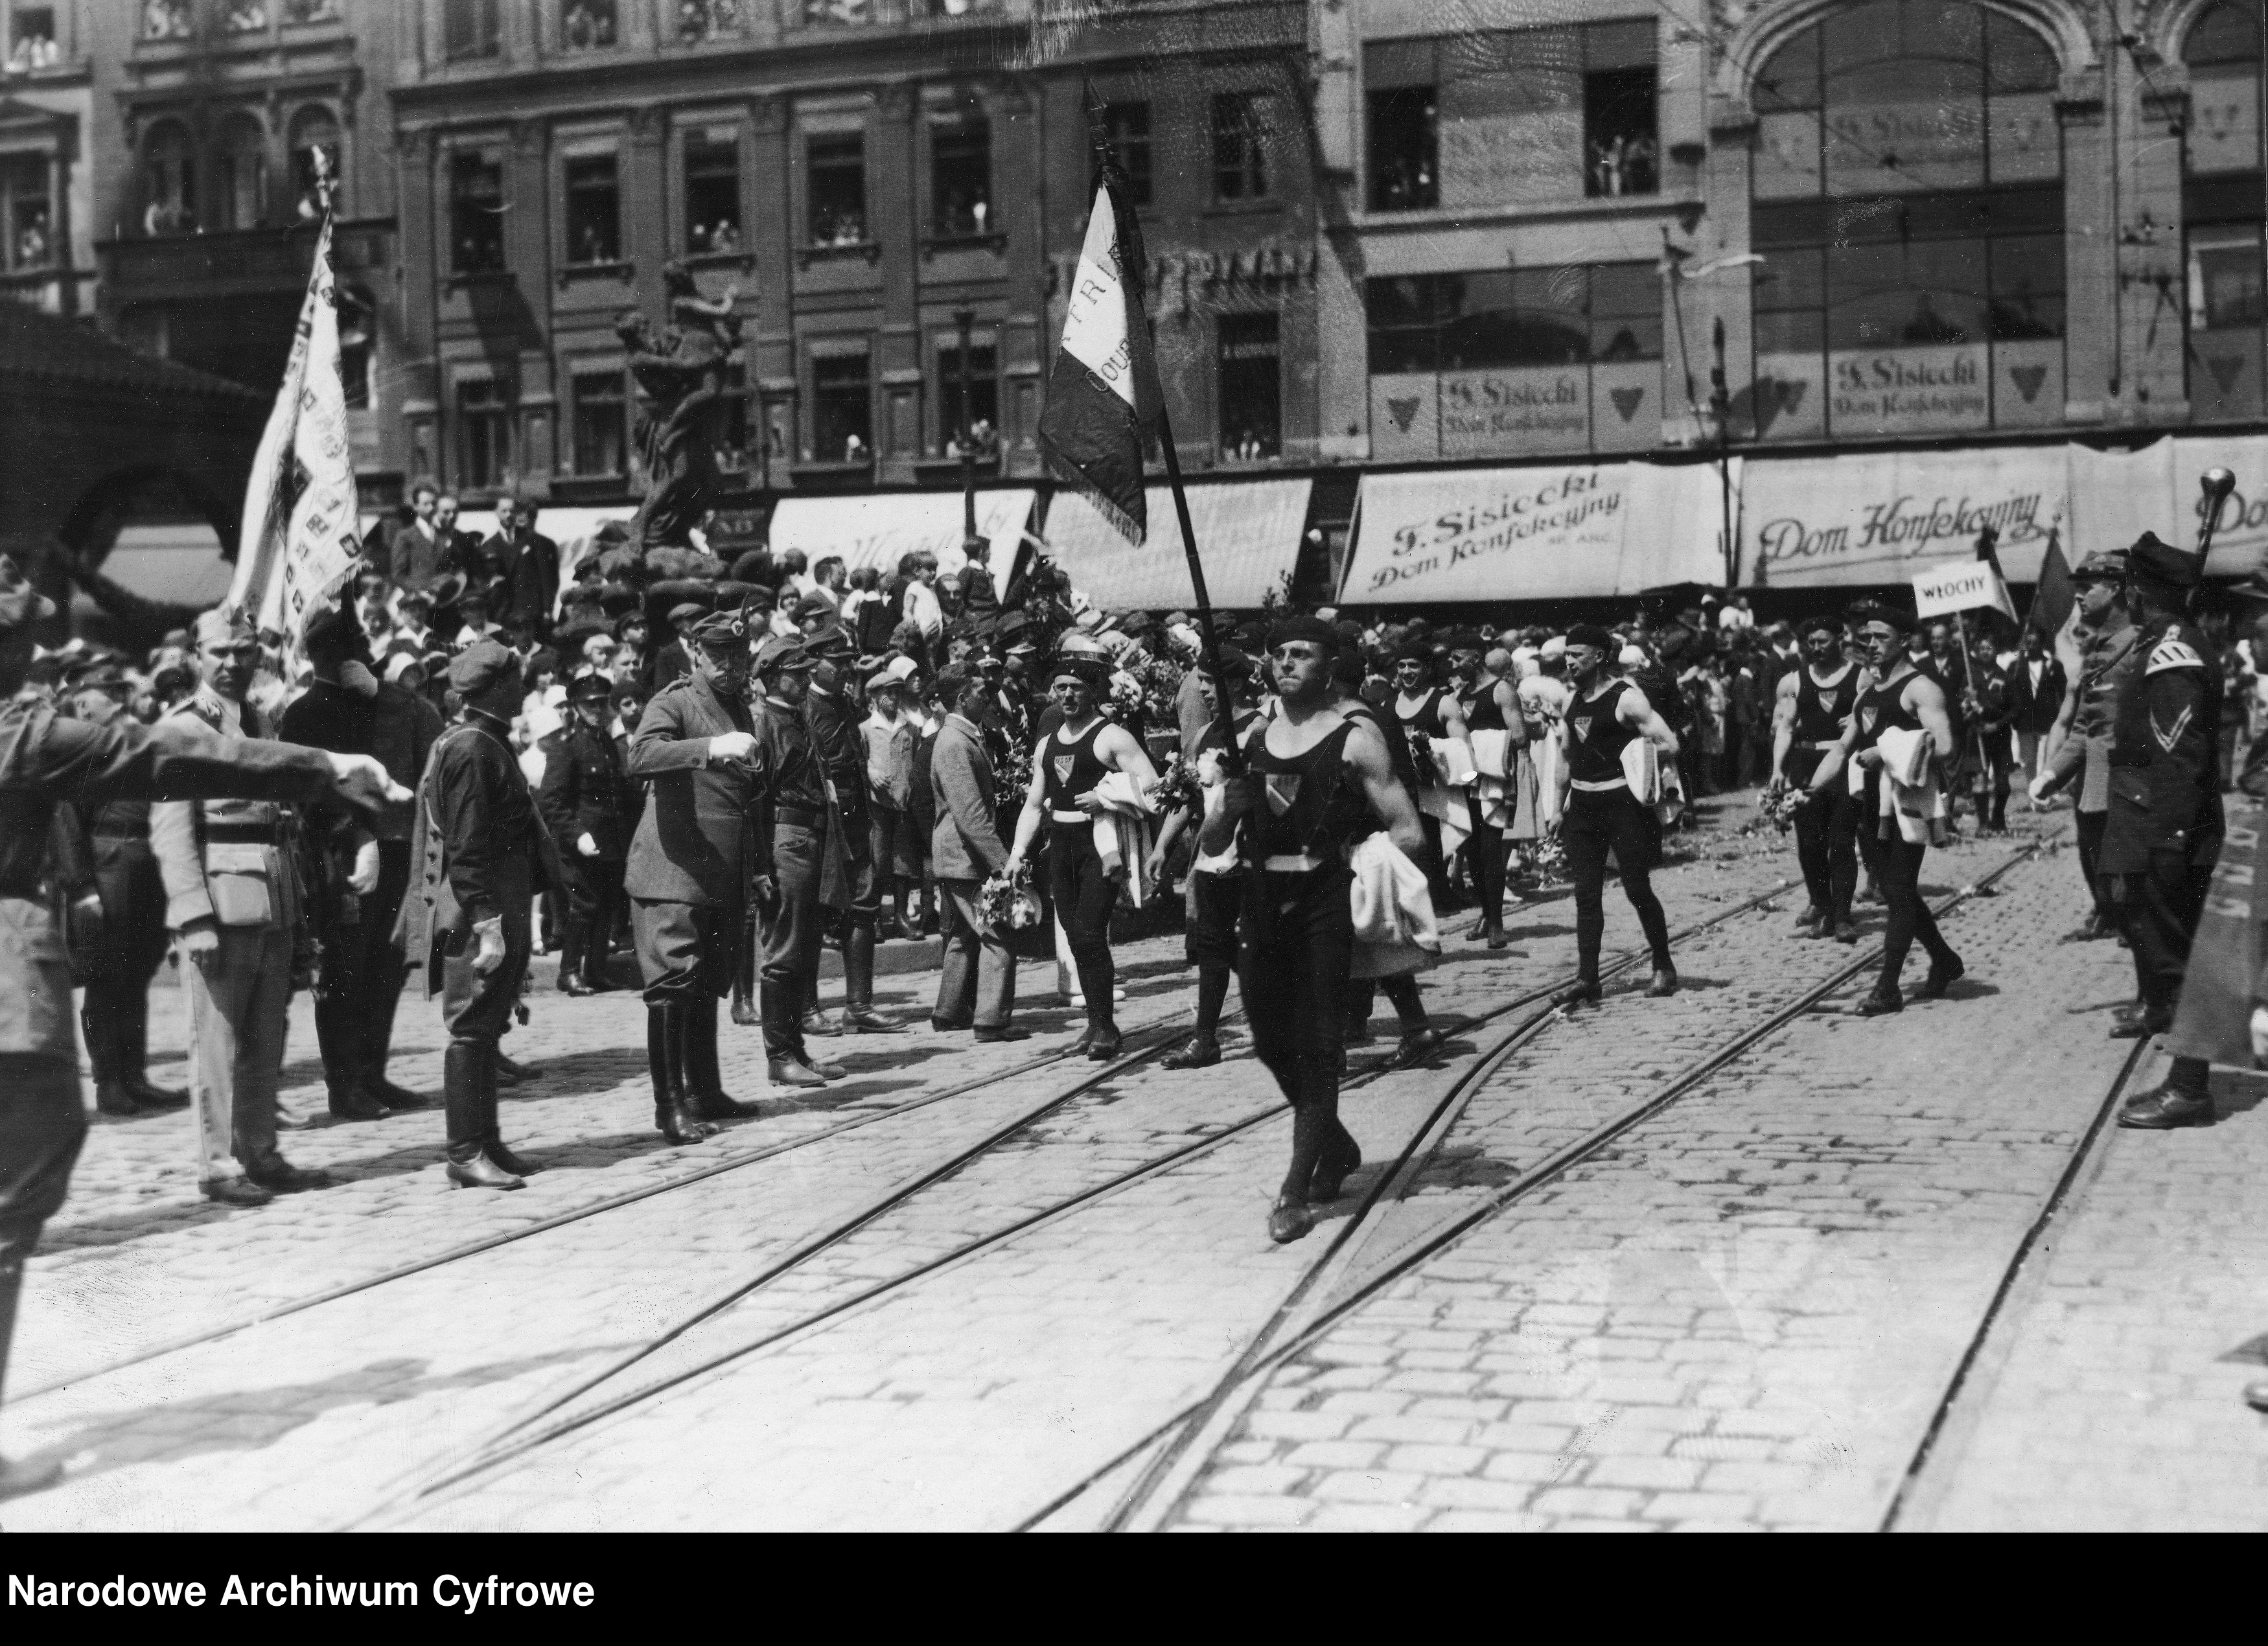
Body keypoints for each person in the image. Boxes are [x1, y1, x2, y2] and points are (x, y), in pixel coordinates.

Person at [0, 557, 401, 1502]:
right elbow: (168, 758)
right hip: (9, 994)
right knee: (23, 1181)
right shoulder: (18, 732)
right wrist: (327, 765)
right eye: (20, 648)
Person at [1201, 617, 1428, 1244]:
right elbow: (1212, 839)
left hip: (1324, 896)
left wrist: (1361, 861)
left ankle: (1295, 1189)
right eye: (1278, 654)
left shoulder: (1357, 739)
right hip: (1259, 897)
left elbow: (1407, 827)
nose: (1286, 663)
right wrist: (1228, 809)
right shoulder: (1250, 735)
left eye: (1301, 654)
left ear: (1329, 666)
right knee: (1269, 1040)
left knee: (1318, 1042)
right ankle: (1337, 1142)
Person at [152, 611, 335, 1206]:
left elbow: (284, 824)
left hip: (274, 897)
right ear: (197, 657)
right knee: (218, 1042)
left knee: (265, 1038)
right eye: (221, 652)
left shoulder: (258, 720)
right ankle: (218, 1164)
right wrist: (192, 914)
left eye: (245, 651)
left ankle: (260, 1149)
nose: (234, 663)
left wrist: (299, 908)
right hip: (221, 905)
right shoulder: (183, 727)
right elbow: (172, 830)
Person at [278, 605, 444, 1120]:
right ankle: (343, 1085)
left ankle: (372, 1073)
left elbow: (429, 738)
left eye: (359, 648)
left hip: (397, 847)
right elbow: (311, 788)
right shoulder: (305, 712)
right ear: (318, 655)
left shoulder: (385, 702)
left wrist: (388, 693)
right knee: (345, 969)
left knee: (385, 966)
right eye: (342, 650)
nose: (355, 657)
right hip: (340, 853)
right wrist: (356, 833)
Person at [399, 642, 555, 1190]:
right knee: (470, 1027)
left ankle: (486, 1140)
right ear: (494, 687)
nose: (523, 688)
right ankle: (465, 1150)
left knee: (487, 1029)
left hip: (496, 898)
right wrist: (488, 922)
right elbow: (465, 846)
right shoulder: (471, 748)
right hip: (476, 907)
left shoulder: (485, 740)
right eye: (516, 680)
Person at [625, 610, 772, 1135]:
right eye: (721, 656)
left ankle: (705, 1092)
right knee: (673, 985)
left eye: (740, 656)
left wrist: (753, 869)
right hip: (674, 871)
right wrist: (708, 748)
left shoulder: (739, 707)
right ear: (697, 653)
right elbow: (640, 755)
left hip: (721, 872)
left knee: (708, 982)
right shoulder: (675, 701)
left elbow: (741, 798)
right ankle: (671, 1108)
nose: (733, 666)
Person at [2096, 535, 2225, 1128]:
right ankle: (2188, 1081)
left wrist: (2167, 840)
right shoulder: (2163, 642)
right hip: (2159, 820)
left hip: (2172, 827)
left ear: (2138, 592)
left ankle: (2189, 1089)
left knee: (2181, 964)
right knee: (2179, 958)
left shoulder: (2173, 652)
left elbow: (2182, 755)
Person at [1004, 653, 1161, 1060]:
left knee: (1091, 934)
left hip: (1099, 847)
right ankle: (1093, 1024)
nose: (1068, 695)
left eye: (1076, 687)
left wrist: (1106, 795)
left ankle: (1106, 1027)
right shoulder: (1047, 743)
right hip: (1062, 847)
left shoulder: (1112, 737)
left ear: (1092, 691)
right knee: (1076, 939)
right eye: (1061, 688)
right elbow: (1035, 805)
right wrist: (1018, 853)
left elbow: (1154, 786)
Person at [1809, 605, 1963, 1015]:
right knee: (1901, 890)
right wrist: (1807, 792)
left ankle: (1888, 988)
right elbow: (1843, 749)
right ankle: (1945, 960)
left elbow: (1945, 747)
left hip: (1907, 803)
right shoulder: (1866, 693)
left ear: (1906, 641)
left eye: (1881, 637)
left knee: (1897, 892)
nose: (1871, 645)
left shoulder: (1921, 689)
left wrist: (1886, 749)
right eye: (1866, 638)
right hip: (1872, 805)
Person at [59, 657, 183, 1119]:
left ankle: (134, 1075)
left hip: (148, 859)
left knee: (137, 973)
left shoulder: (137, 737)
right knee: (105, 976)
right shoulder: (83, 750)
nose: (85, 709)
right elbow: (67, 820)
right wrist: (82, 887)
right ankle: (109, 1081)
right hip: (108, 862)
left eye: (91, 700)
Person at [1555, 623, 1682, 1004]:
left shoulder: (1627, 698)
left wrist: (1636, 760)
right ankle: (1587, 978)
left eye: (1577, 654)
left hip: (1621, 806)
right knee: (1585, 895)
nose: (1570, 661)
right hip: (1582, 807)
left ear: (1599, 656)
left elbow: (1670, 743)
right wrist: (1556, 809)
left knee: (1636, 886)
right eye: (1567, 654)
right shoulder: (1569, 700)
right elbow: (1565, 758)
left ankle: (1663, 965)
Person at [741, 632, 846, 1086]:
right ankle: (778, 1055)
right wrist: (759, 864)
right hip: (787, 839)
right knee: (783, 952)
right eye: (796, 673)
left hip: (812, 836)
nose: (805, 679)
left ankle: (796, 1051)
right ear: (771, 677)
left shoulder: (795, 717)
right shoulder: (764, 723)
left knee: (803, 950)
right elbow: (753, 799)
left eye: (807, 672)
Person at [2032, 551, 2138, 940]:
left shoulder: (2138, 647)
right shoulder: (2098, 651)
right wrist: (2050, 775)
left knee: (2134, 896)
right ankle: (2114, 920)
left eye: (2086, 587)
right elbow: (2083, 729)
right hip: (2096, 789)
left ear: (2114, 589)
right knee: (2103, 869)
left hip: (2128, 791)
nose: (2077, 596)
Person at [802, 626, 890, 1033]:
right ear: (813, 665)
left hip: (856, 819)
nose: (845, 671)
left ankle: (859, 1005)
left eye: (847, 663)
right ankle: (806, 1008)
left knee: (864, 905)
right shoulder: (804, 707)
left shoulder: (842, 703)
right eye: (836, 664)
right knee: (815, 913)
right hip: (822, 823)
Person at [928, 667, 1022, 1039]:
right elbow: (971, 816)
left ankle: (949, 1012)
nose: (988, 697)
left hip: (958, 857)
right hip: (965, 857)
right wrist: (1003, 864)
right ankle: (991, 1020)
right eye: (980, 691)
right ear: (961, 698)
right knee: (998, 933)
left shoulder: (961, 736)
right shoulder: (955, 742)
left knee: (965, 936)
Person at [538, 669, 636, 997]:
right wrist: (577, 835)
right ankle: (568, 973)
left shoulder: (607, 742)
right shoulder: (568, 745)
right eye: (590, 704)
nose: (597, 709)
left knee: (606, 904)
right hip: (580, 842)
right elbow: (552, 801)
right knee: (584, 905)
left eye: (602, 703)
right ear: (577, 707)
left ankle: (594, 972)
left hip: (610, 841)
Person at [1772, 614, 1861, 942]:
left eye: (1823, 641)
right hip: (1806, 765)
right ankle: (1822, 908)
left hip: (1845, 768)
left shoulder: (1861, 677)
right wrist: (1778, 768)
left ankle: (1843, 916)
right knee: (1809, 844)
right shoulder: (1794, 681)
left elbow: (1877, 713)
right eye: (1811, 643)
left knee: (1841, 843)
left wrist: (1859, 718)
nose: (1816, 648)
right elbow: (1784, 727)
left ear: (1840, 640)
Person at [1452, 641, 1525, 946]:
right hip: (1468, 782)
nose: (1454, 665)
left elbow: (1520, 736)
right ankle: (1485, 913)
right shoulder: (1459, 696)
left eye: (1458, 657)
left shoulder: (1501, 691)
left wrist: (1480, 748)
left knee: (1491, 851)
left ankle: (1496, 923)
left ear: (1476, 657)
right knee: (1471, 852)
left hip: (1496, 785)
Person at [2008, 626, 2066, 794]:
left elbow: (2062, 692)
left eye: (2036, 643)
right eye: (2029, 643)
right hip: (2024, 721)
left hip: (2047, 720)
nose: (2032, 646)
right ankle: (2033, 792)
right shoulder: (2016, 666)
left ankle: (2043, 792)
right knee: (2029, 760)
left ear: (2042, 644)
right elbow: (2010, 692)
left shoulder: (2053, 665)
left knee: (2045, 759)